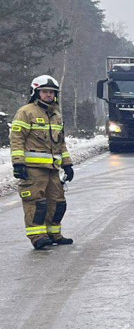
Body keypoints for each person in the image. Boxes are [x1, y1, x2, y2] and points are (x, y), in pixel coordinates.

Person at [10, 74, 74, 250]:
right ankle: (37, 236)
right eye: (45, 92)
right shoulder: (26, 112)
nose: (49, 95)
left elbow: (61, 143)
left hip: (53, 169)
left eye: (52, 92)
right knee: (36, 203)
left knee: (58, 202)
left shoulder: (56, 115)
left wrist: (67, 164)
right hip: (33, 169)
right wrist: (18, 163)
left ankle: (54, 233)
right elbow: (16, 139)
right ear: (36, 93)